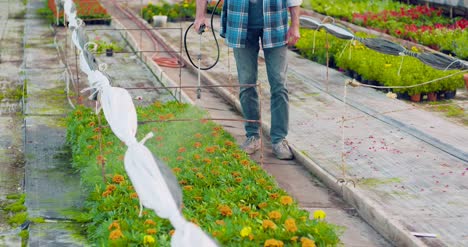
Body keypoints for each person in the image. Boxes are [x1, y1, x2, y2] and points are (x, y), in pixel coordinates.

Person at [195, 0, 301, 160]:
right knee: (246, 82)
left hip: (275, 22)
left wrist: (295, 25)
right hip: (240, 22)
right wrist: (200, 16)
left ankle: (279, 139)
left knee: (279, 83)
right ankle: (253, 136)